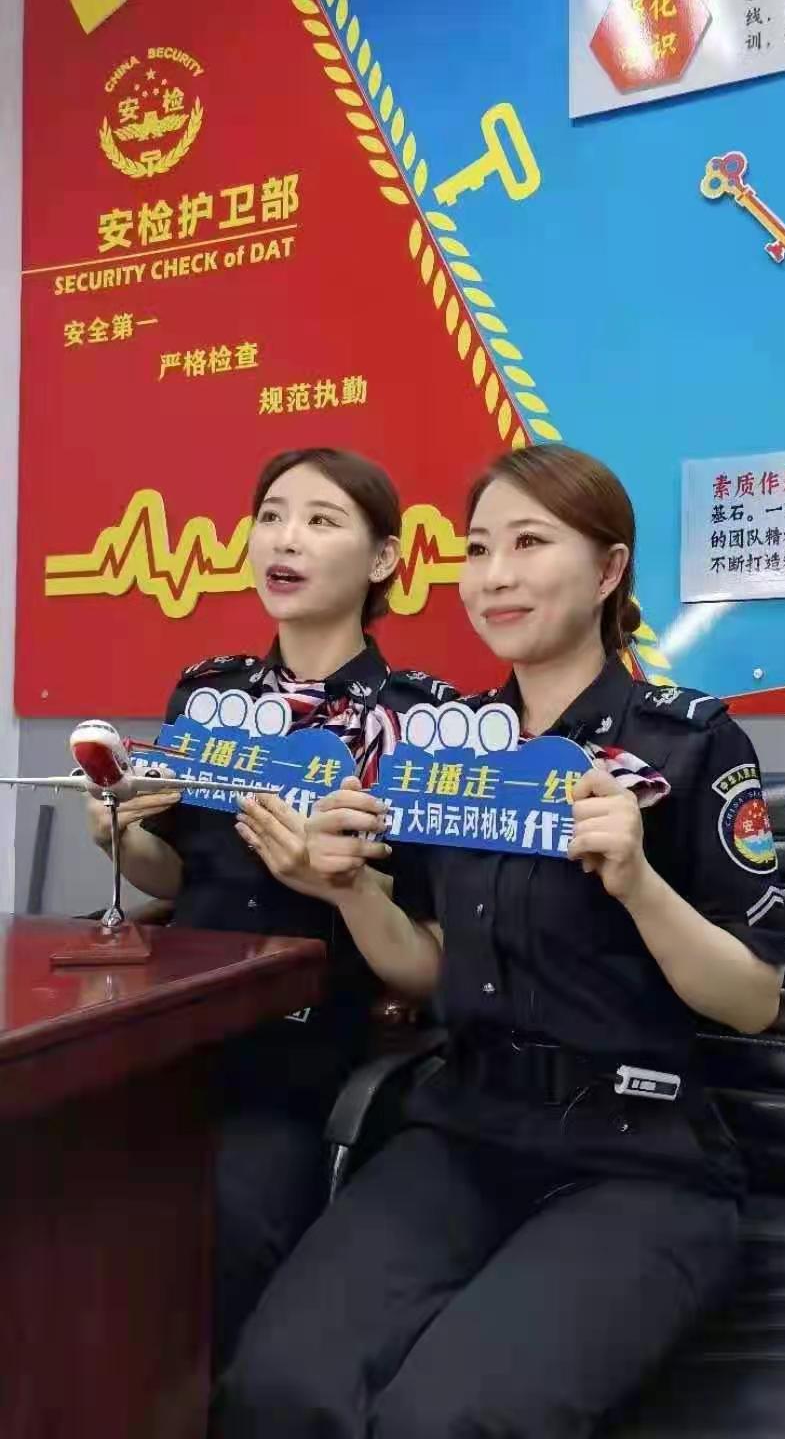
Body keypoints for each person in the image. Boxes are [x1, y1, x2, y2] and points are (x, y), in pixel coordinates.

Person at [215, 444, 785, 1439]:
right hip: (465, 1128)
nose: (494, 576)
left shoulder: (690, 743)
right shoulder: (452, 748)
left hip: (639, 1158)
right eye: (478, 549)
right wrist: (351, 891)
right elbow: (428, 963)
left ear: (608, 570)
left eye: (530, 544)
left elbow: (754, 1000)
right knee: (275, 1386)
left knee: (448, 1418)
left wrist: (639, 883)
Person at [84, 447, 453, 1376]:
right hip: (170, 1034)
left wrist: (333, 882)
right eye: (272, 516)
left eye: (321, 521)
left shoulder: (421, 722)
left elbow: (429, 933)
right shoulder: (210, 696)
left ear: (382, 559)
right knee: (65, 1192)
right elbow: (179, 876)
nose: (285, 540)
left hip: (305, 1059)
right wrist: (120, 834)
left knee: (225, 1224)